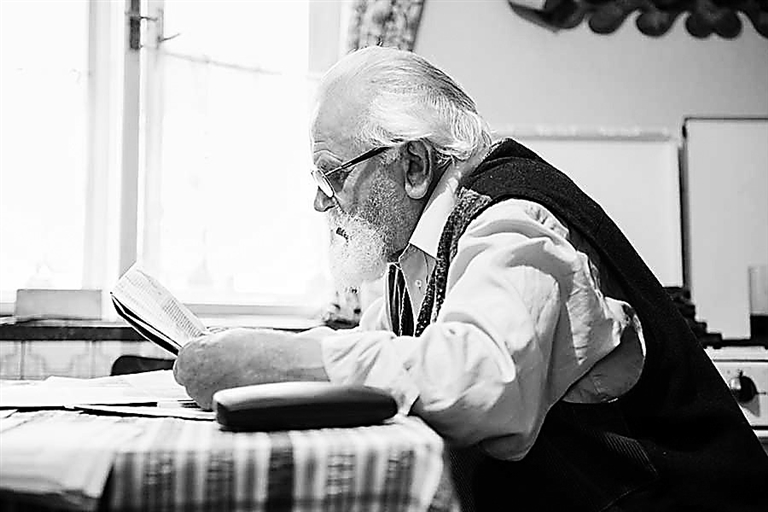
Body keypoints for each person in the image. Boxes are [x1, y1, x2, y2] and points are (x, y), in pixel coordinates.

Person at [174, 46, 768, 511]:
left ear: (412, 165)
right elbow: (384, 357)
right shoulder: (411, 252)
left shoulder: (516, 220)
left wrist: (277, 361)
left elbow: (477, 383)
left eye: (333, 176)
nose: (320, 202)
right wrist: (258, 356)